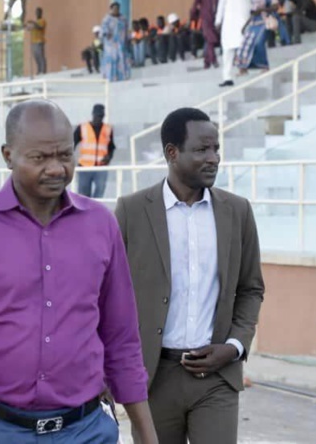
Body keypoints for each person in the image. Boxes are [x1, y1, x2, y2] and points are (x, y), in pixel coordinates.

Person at [0, 100, 159, 444]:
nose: (56, 168)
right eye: (39, 158)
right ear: (8, 155)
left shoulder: (101, 225)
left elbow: (121, 337)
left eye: (64, 155)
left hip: (86, 431)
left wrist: (146, 434)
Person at [115, 107, 265, 444]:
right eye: (202, 150)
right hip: (154, 375)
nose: (213, 158)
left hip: (217, 376)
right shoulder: (132, 210)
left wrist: (235, 346)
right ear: (172, 153)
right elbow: (107, 293)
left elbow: (251, 288)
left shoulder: (237, 211)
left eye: (216, 149)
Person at [215, 0, 253, 87]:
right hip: (229, 23)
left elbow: (254, 1)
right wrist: (218, 21)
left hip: (244, 20)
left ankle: (244, 70)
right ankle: (227, 77)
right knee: (227, 50)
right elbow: (221, 5)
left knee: (244, 47)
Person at [73, 103, 115, 200]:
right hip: (85, 167)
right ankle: (85, 213)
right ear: (93, 114)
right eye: (97, 116)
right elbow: (72, 143)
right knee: (83, 195)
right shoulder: (82, 127)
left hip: (101, 167)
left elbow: (111, 147)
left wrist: (109, 157)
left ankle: (94, 211)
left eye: (101, 116)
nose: (99, 118)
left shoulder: (108, 129)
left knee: (100, 192)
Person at [236, 0, 277, 74]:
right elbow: (253, 13)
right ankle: (243, 68)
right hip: (253, 24)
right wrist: (245, 26)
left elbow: (276, 6)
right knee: (244, 45)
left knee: (258, 43)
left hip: (264, 23)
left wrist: (263, 9)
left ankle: (264, 66)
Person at [190, 0, 221, 69]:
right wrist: (193, 17)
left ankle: (206, 63)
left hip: (216, 19)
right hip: (206, 19)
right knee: (211, 40)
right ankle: (214, 60)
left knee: (210, 41)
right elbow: (195, 5)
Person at [101, 2, 130, 82]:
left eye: (117, 9)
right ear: (111, 9)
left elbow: (126, 29)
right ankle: (110, 77)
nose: (116, 10)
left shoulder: (123, 18)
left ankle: (122, 76)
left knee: (121, 58)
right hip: (110, 44)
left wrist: (127, 38)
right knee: (111, 60)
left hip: (121, 43)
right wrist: (107, 33)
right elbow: (103, 29)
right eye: (114, 9)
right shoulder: (107, 19)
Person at [26, 7, 47, 75]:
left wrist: (33, 23)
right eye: (37, 12)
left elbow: (40, 27)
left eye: (39, 12)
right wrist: (27, 25)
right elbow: (29, 28)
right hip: (33, 42)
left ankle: (43, 71)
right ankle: (39, 70)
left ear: (41, 13)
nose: (37, 13)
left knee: (40, 56)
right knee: (36, 57)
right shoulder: (35, 22)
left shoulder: (42, 21)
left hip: (39, 41)